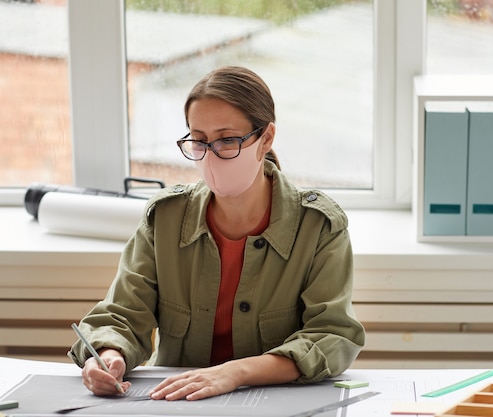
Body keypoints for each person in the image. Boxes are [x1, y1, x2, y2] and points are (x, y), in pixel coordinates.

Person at [68, 65, 365, 401]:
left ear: (265, 138)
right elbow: (121, 314)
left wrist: (236, 372)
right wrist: (108, 358)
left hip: (277, 403)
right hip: (175, 402)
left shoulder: (318, 225)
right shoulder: (164, 219)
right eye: (199, 141)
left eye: (227, 140)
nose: (210, 155)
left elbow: (332, 335)